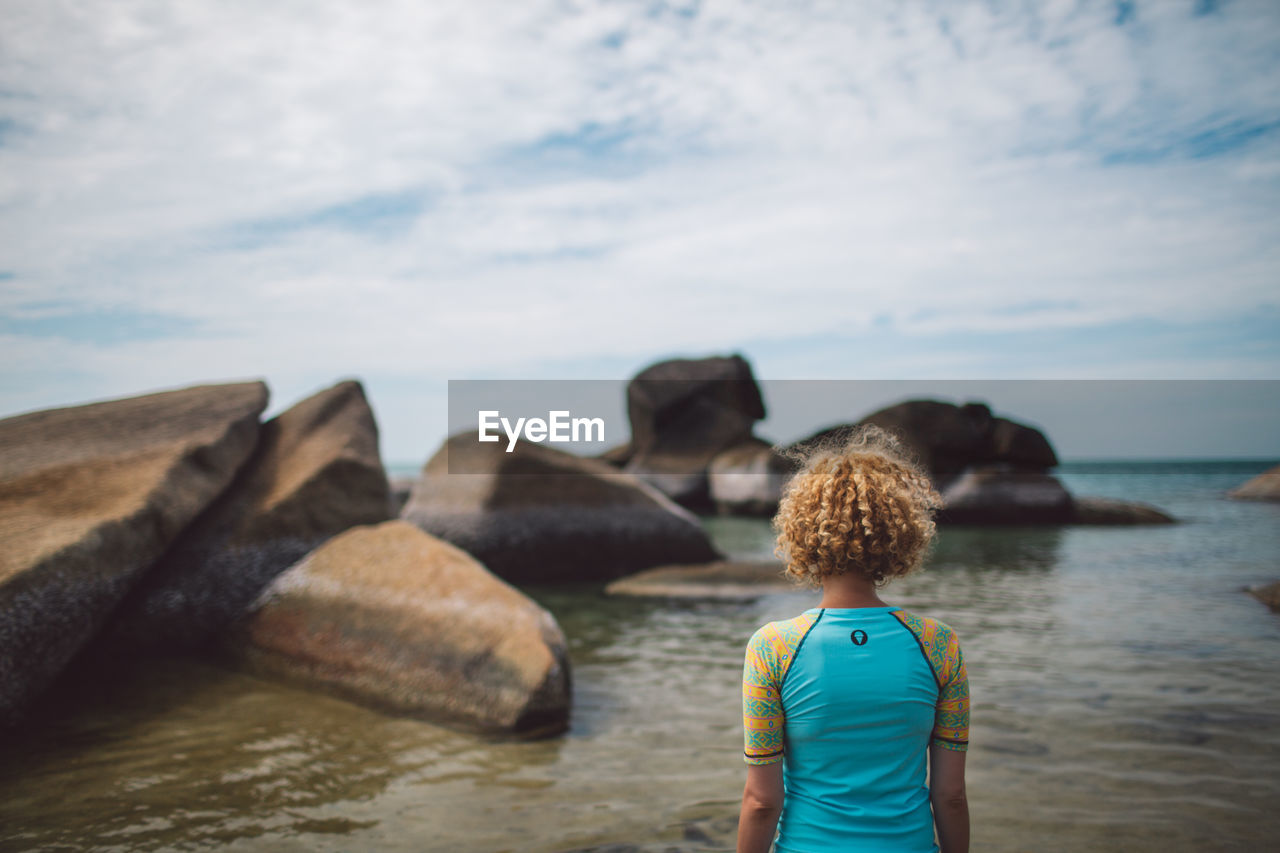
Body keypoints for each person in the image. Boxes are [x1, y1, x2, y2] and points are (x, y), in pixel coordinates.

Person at [737, 426, 970, 853]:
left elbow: (761, 801)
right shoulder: (939, 645)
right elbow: (950, 796)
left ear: (802, 532)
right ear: (900, 534)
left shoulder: (773, 648)